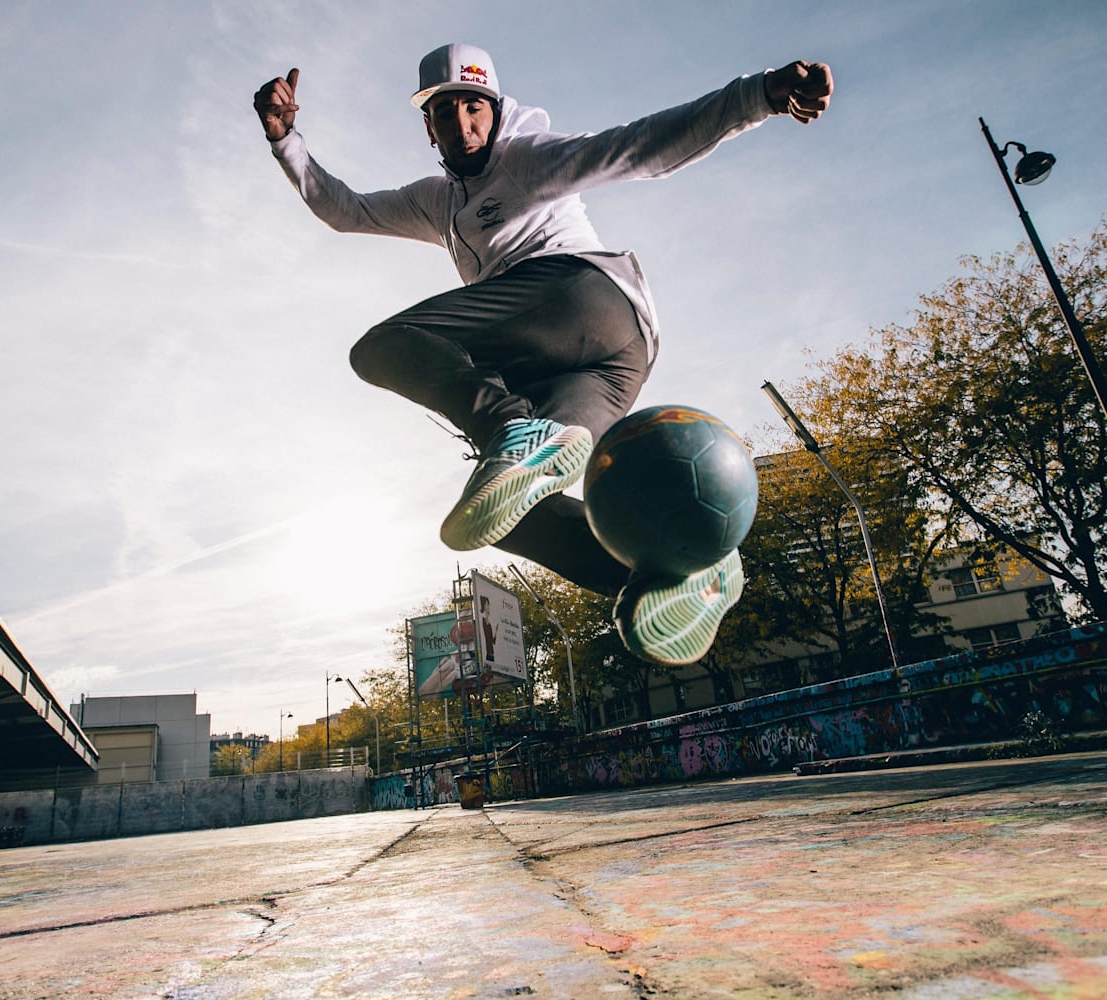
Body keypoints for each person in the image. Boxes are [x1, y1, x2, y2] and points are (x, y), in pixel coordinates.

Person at [253, 45, 832, 665]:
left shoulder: (528, 159)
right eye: (445, 115)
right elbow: (349, 211)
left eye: (475, 109)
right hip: (607, 365)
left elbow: (642, 145)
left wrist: (760, 96)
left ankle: (509, 426)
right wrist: (287, 140)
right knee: (511, 512)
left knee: (383, 346)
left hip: (583, 298)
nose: (463, 127)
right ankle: (683, 570)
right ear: (428, 126)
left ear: (496, 110)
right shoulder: (433, 202)